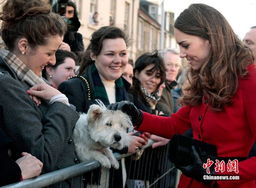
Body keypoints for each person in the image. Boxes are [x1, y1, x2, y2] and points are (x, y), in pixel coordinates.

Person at [108, 3, 256, 188]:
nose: (182, 54)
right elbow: (176, 124)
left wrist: (220, 173)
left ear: (209, 38)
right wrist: (135, 116)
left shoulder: (250, 80)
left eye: (185, 45)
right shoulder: (207, 77)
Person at [0, 0, 83, 187]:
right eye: (49, 53)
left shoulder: (25, 80)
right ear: (23, 46)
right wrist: (60, 103)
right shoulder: (8, 86)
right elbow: (42, 156)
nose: (53, 60)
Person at [59, 26, 148, 188]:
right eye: (110, 54)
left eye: (122, 54)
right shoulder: (74, 88)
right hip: (87, 181)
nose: (118, 60)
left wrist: (138, 137)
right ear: (93, 55)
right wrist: (123, 145)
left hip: (118, 177)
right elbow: (72, 141)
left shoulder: (129, 89)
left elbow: (144, 119)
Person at [125, 51, 173, 188]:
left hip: (156, 173)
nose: (153, 80)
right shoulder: (129, 98)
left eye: (157, 76)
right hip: (134, 172)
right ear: (136, 73)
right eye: (148, 74)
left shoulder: (157, 101)